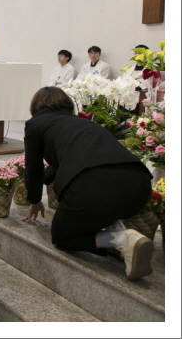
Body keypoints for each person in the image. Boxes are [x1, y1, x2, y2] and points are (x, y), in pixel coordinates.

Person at [21, 87, 154, 280]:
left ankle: (120, 239)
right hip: (139, 186)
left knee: (63, 236)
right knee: (104, 200)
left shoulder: (36, 123)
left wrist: (34, 200)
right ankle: (127, 241)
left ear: (35, 106)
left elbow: (33, 167)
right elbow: (60, 165)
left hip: (93, 188)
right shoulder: (83, 123)